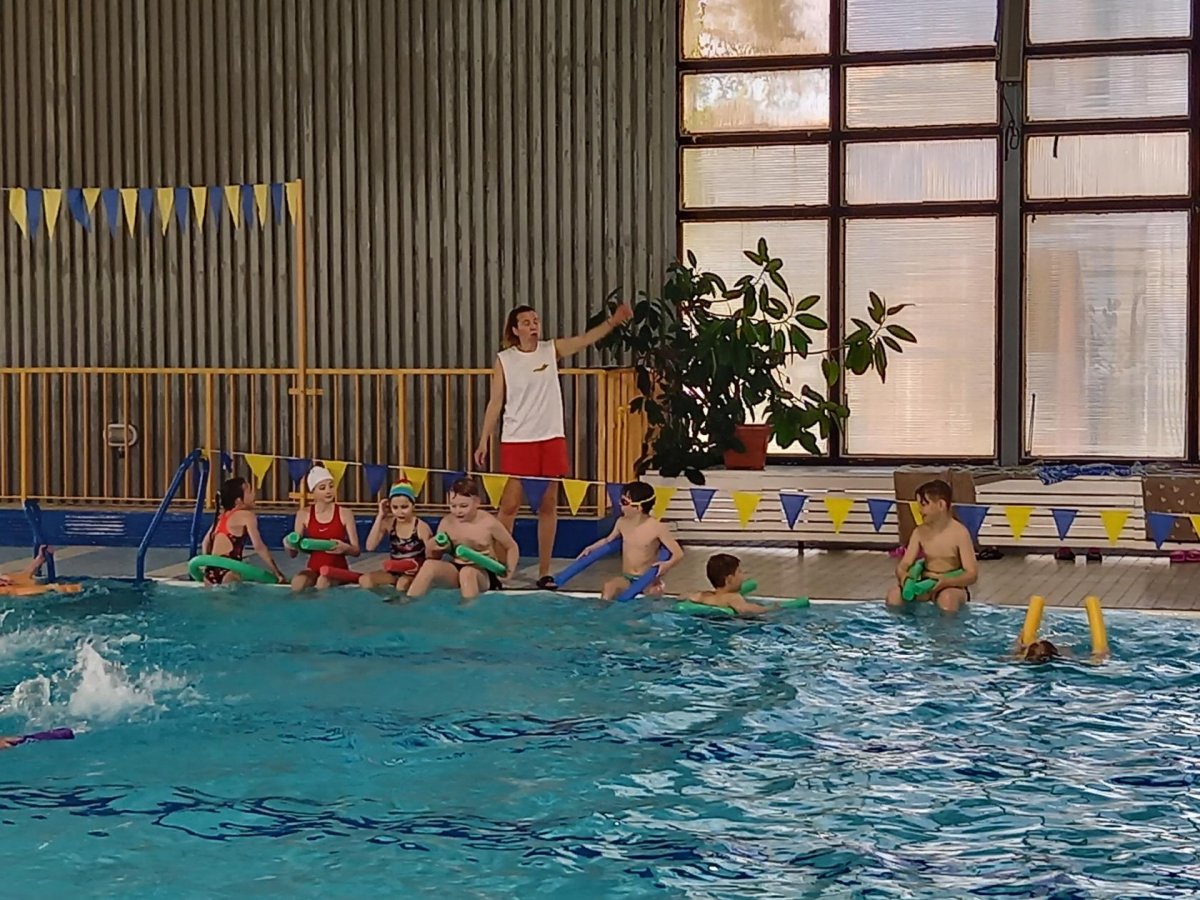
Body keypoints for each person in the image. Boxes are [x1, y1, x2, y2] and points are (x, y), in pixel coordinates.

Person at [473, 302, 633, 589]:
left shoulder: (551, 350)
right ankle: (497, 570)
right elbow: (496, 402)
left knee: (548, 505)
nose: (533, 325)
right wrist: (484, 438)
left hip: (550, 436)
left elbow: (584, 340)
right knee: (509, 505)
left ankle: (544, 572)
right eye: (526, 322)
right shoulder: (505, 359)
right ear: (515, 330)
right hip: (517, 438)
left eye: (535, 320)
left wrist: (612, 322)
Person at [405, 478, 520, 601]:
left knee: (467, 572)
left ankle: (468, 609)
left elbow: (511, 546)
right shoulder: (446, 523)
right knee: (429, 565)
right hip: (456, 569)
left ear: (477, 502)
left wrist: (510, 570)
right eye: (453, 506)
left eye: (463, 506)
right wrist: (431, 548)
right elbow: (434, 557)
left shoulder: (488, 523)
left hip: (483, 572)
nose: (458, 511)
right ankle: (409, 602)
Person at [575, 481, 684, 601]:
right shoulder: (622, 522)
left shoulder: (657, 527)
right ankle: (604, 611)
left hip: (647, 580)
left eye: (624, 502)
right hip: (627, 577)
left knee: (655, 592)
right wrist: (590, 548)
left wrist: (667, 565)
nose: (619, 504)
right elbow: (608, 540)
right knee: (609, 586)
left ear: (638, 507)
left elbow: (678, 553)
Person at [885, 479, 978, 614]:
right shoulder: (919, 532)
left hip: (952, 586)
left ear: (941, 505)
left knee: (947, 599)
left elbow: (971, 574)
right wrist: (905, 577)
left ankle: (947, 627)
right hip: (925, 583)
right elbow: (904, 565)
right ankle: (901, 626)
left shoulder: (960, 533)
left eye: (924, 505)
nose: (920, 510)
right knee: (894, 595)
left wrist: (946, 581)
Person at [287, 466, 360, 592]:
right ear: (313, 491)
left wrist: (346, 548)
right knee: (298, 582)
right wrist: (289, 545)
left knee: (323, 581)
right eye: (322, 488)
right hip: (314, 568)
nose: (328, 491)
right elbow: (293, 554)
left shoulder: (345, 513)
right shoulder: (303, 514)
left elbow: (356, 551)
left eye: (331, 486)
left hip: (337, 569)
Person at [200, 477, 285, 585]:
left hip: (211, 571)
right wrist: (277, 573)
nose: (254, 494)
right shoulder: (247, 516)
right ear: (238, 501)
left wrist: (207, 565)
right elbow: (259, 547)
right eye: (249, 491)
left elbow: (205, 543)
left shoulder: (221, 517)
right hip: (230, 571)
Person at [358, 480, 432, 592]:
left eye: (404, 507)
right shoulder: (389, 524)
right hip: (394, 571)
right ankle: (385, 601)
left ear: (413, 505)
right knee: (365, 580)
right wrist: (380, 515)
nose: (400, 512)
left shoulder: (421, 527)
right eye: (395, 507)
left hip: (415, 573)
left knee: (402, 583)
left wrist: (420, 571)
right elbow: (370, 546)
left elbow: (431, 556)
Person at [686, 553, 769, 616]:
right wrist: (767, 609)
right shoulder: (732, 597)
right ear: (729, 579)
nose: (742, 575)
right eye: (739, 572)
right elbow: (743, 609)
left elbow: (687, 597)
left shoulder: (704, 596)